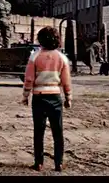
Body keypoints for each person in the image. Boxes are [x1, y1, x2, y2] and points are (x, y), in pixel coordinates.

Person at [22, 26, 72, 173]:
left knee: (39, 131)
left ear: (41, 40)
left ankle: (38, 163)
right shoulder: (62, 58)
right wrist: (68, 97)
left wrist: (25, 96)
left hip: (39, 97)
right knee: (58, 131)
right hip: (55, 97)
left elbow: (29, 79)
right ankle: (59, 163)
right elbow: (66, 81)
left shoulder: (34, 56)